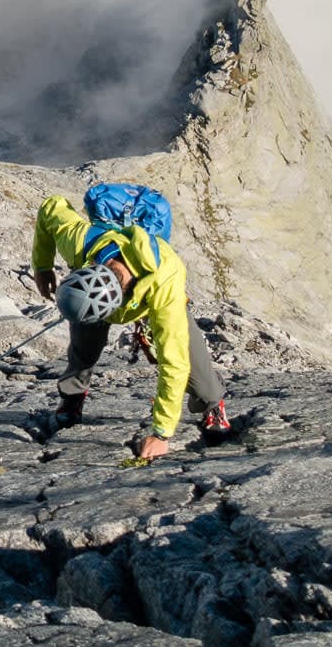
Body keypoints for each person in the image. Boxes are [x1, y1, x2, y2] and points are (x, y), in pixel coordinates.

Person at [30, 193, 229, 461]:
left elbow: (174, 361)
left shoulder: (166, 278)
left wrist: (161, 434)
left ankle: (213, 403)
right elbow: (51, 206)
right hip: (105, 293)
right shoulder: (78, 241)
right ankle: (72, 396)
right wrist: (42, 266)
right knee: (83, 347)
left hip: (153, 298)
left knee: (197, 374)